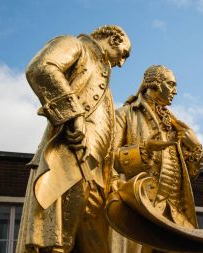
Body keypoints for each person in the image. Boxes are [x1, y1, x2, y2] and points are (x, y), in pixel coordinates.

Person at [16, 25, 131, 253]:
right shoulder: (74, 45)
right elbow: (41, 68)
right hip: (70, 159)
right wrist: (72, 115)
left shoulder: (103, 77)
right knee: (59, 240)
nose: (121, 63)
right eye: (124, 54)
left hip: (97, 176)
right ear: (114, 38)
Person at [114, 65, 203, 252]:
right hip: (141, 208)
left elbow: (191, 175)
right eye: (171, 84)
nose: (176, 91)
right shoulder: (124, 115)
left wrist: (195, 147)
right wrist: (143, 149)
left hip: (175, 213)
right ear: (154, 84)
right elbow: (108, 158)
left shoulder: (176, 126)